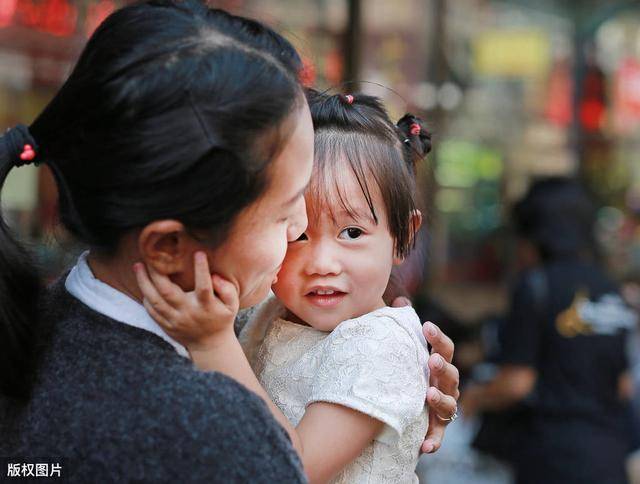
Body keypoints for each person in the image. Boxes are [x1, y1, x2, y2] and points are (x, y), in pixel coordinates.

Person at [0, 1, 459, 481]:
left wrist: (403, 391)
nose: (311, 245)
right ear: (167, 249)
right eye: (288, 215)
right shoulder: (205, 441)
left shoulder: (42, 325)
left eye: (350, 231)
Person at [135, 91, 443, 483]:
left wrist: (213, 345)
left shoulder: (381, 343)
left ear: (403, 236)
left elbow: (295, 471)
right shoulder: (268, 307)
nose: (321, 264)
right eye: (298, 233)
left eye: (352, 232)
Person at [460, 178, 636, 484]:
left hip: (551, 458)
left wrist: (474, 398)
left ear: (537, 235)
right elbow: (623, 386)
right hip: (609, 456)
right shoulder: (610, 290)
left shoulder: (536, 286)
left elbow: (518, 383)